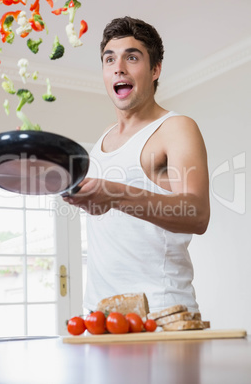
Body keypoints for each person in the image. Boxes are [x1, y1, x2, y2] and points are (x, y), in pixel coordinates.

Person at [63, 16, 210, 313]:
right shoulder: (103, 138)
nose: (118, 67)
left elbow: (197, 214)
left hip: (161, 312)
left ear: (155, 70)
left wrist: (116, 194)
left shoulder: (176, 127)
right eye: (109, 59)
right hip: (100, 315)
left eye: (132, 57)